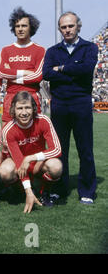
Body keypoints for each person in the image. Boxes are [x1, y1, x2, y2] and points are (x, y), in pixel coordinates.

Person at [42, 11, 98, 204]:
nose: (67, 30)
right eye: (64, 27)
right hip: (59, 105)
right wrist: (74, 69)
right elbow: (47, 73)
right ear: (59, 29)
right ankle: (59, 189)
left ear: (78, 26)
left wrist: (63, 68)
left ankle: (87, 191)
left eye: (71, 26)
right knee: (60, 150)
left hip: (81, 103)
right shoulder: (52, 51)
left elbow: (87, 69)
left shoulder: (89, 47)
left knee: (85, 150)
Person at [0, 91, 62, 213]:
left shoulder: (43, 120)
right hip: (19, 162)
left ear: (34, 108)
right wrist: (29, 191)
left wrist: (31, 158)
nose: (24, 113)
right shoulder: (8, 129)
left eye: (27, 107)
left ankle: (44, 193)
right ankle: (19, 191)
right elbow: (19, 162)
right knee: (6, 171)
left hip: (37, 162)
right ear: (13, 110)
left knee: (56, 166)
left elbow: (57, 149)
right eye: (20, 108)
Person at [0, 7, 45, 124]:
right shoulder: (6, 50)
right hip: (11, 97)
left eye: (24, 26)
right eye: (17, 26)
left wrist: (13, 77)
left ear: (31, 28)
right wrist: (25, 72)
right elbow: (1, 72)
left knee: (34, 137)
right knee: (8, 135)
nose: (20, 29)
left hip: (31, 96)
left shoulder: (39, 50)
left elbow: (37, 76)